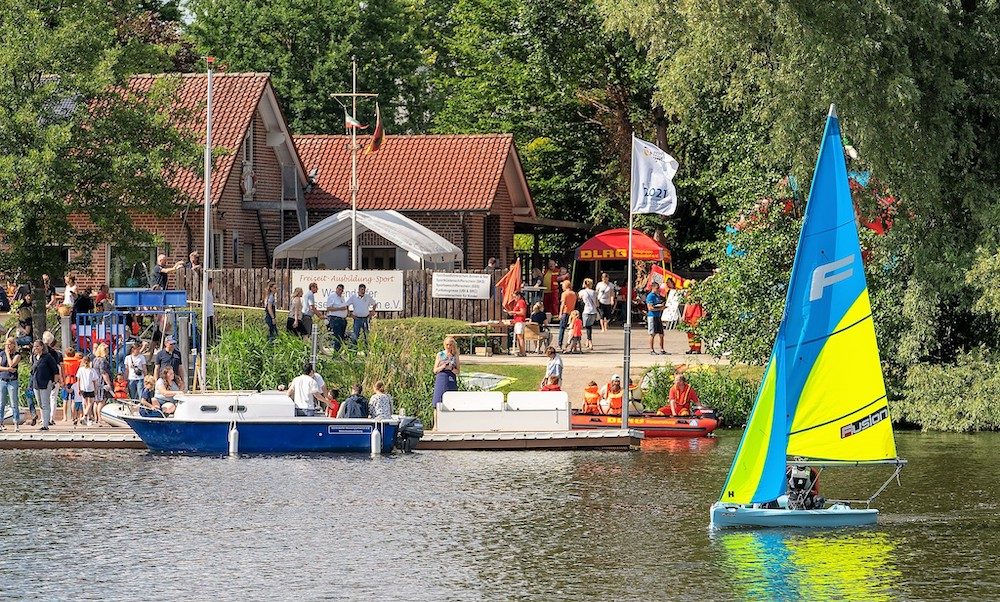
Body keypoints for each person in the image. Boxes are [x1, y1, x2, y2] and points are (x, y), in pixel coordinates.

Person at [29, 340, 60, 430]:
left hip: (46, 383)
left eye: (38, 346)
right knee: (40, 404)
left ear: (42, 347)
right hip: (36, 384)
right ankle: (43, 420)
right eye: (35, 346)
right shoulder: (34, 357)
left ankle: (45, 424)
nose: (36, 348)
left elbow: (55, 370)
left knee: (45, 403)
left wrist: (54, 381)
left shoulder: (48, 357)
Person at [0, 337, 22, 432]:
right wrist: (7, 369)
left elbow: (12, 364)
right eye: (6, 344)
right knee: (1, 402)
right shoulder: (2, 354)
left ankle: (16, 423)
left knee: (14, 402)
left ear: (14, 344)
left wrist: (8, 355)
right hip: (3, 379)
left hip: (12, 380)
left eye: (10, 344)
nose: (8, 346)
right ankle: (1, 423)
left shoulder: (17, 355)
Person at [432, 337, 460, 408]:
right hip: (441, 377)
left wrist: (451, 368)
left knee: (451, 401)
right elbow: (435, 370)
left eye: (450, 345)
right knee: (438, 400)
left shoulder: (455, 355)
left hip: (451, 378)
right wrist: (443, 367)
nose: (448, 347)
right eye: (447, 344)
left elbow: (458, 371)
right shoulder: (440, 354)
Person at [92, 343, 113, 425]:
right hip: (102, 382)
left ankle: (96, 418)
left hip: (96, 382)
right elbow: (104, 373)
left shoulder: (95, 359)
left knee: (96, 401)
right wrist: (109, 383)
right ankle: (100, 418)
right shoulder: (103, 360)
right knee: (102, 400)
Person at [76, 356, 99, 426]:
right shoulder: (92, 370)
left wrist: (79, 388)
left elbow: (78, 380)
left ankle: (87, 419)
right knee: (90, 403)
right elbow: (95, 381)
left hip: (83, 388)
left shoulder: (80, 370)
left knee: (85, 403)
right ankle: (85, 415)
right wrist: (96, 389)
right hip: (90, 388)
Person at [325, 283, 349, 351]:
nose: (340, 291)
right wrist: (339, 309)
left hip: (343, 319)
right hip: (336, 319)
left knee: (341, 338)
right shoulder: (332, 296)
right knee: (337, 337)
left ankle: (338, 353)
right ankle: (335, 355)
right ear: (336, 289)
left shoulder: (342, 297)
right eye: (339, 289)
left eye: (341, 290)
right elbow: (328, 308)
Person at [61, 348, 81, 425]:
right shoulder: (77, 362)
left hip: (66, 379)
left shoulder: (64, 362)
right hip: (75, 380)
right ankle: (74, 416)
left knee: (65, 399)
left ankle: (65, 417)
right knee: (73, 400)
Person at [578, 278, 599, 350]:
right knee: (589, 327)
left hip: (586, 311)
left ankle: (590, 342)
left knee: (587, 327)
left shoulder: (582, 292)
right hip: (593, 311)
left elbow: (579, 299)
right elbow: (597, 303)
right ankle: (587, 341)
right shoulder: (594, 292)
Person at [556, 280, 577, 351]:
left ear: (565, 286)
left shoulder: (564, 294)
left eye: (563, 285)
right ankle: (573, 345)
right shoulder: (574, 293)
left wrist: (560, 313)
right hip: (572, 313)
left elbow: (563, 304)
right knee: (572, 329)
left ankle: (559, 343)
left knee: (562, 328)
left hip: (565, 312)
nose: (562, 287)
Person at [646, 285, 666, 355]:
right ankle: (651, 350)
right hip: (652, 316)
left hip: (658, 316)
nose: (658, 290)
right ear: (653, 288)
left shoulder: (657, 296)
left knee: (661, 334)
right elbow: (650, 308)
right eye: (657, 288)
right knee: (652, 333)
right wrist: (660, 309)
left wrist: (662, 305)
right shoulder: (650, 296)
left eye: (659, 288)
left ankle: (662, 349)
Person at [507, 290, 528, 357]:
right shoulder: (518, 302)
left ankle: (523, 352)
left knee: (520, 337)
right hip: (517, 321)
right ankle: (521, 351)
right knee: (519, 337)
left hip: (520, 321)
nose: (514, 298)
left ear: (519, 296)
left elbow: (522, 312)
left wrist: (513, 312)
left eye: (515, 297)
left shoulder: (521, 302)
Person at [204, 277, 216, 345]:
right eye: (213, 283)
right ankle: (206, 344)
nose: (213, 285)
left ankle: (212, 343)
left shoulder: (210, 291)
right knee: (208, 330)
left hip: (211, 313)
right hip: (207, 314)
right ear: (210, 283)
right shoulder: (205, 292)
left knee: (212, 330)